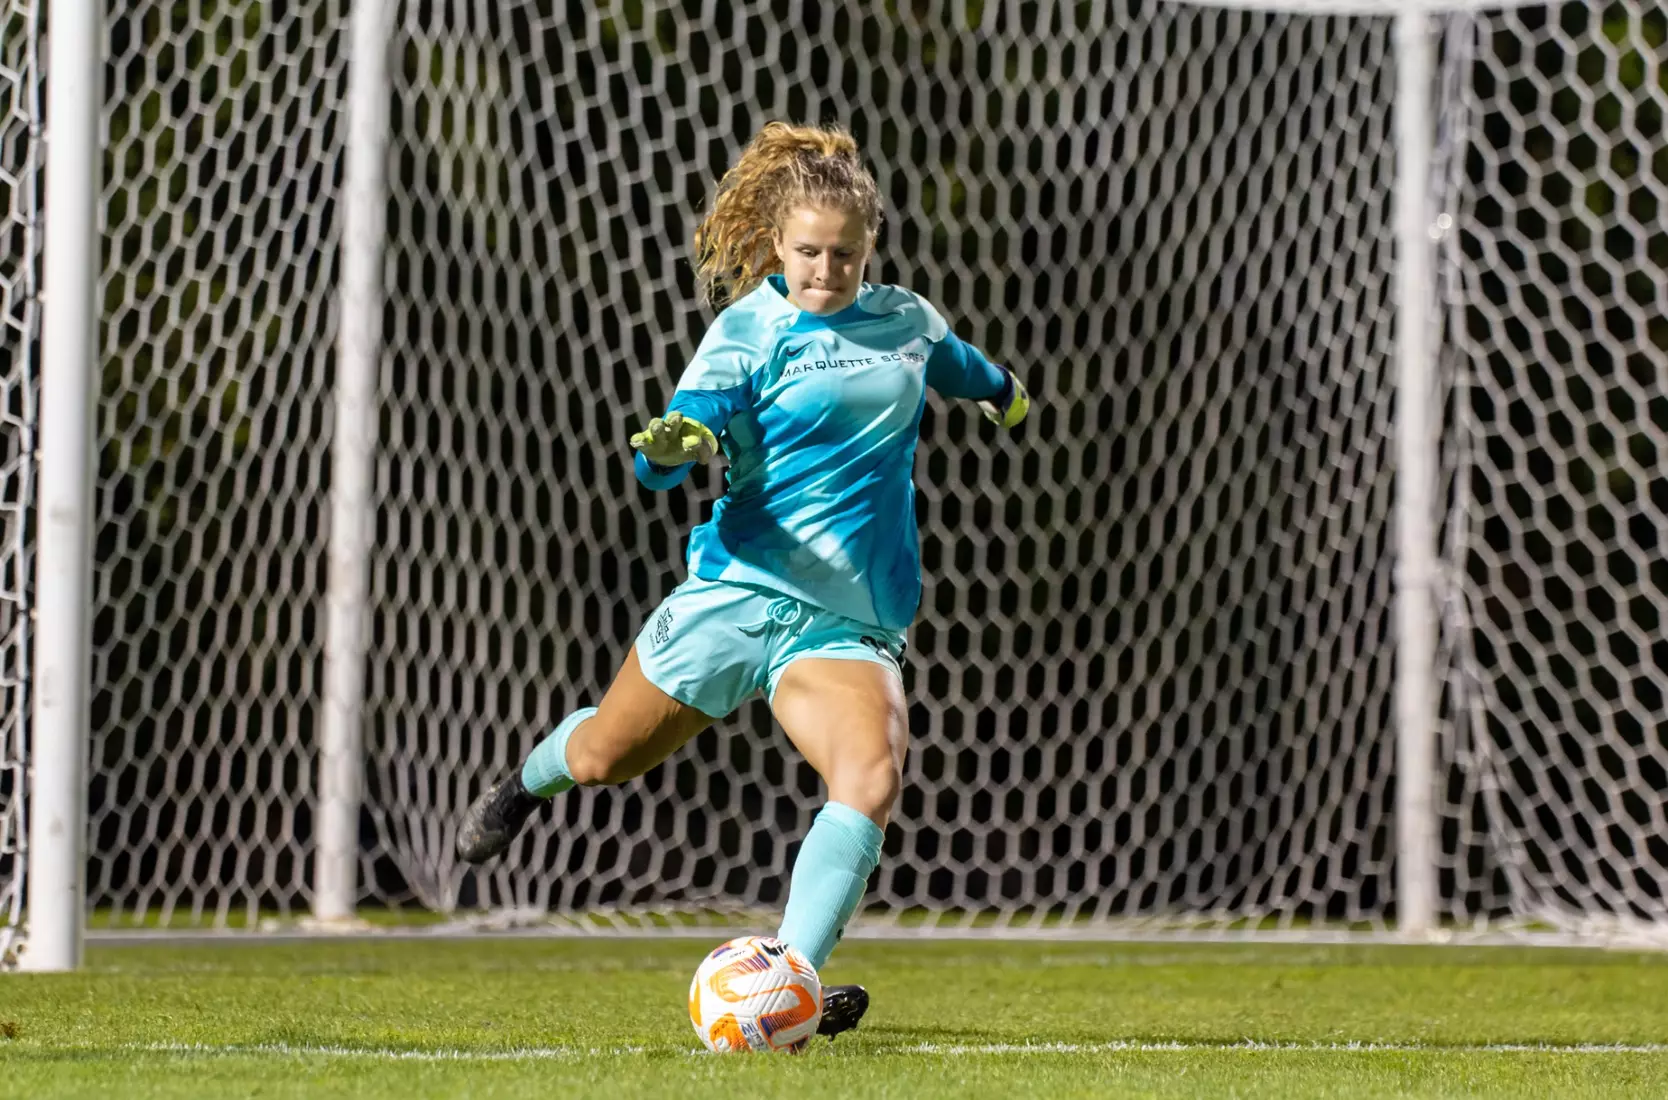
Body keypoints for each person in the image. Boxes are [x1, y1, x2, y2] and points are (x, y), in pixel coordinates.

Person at [455, 120, 1029, 1039]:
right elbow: (678, 439)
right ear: (778, 245)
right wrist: (672, 450)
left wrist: (1004, 390)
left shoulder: (908, 322)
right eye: (808, 252)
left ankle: (791, 979)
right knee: (609, 755)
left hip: (842, 627)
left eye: (843, 254)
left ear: (868, 247)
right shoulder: (748, 332)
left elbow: (958, 366)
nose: (824, 271)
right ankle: (524, 786)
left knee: (870, 774)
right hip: (736, 595)